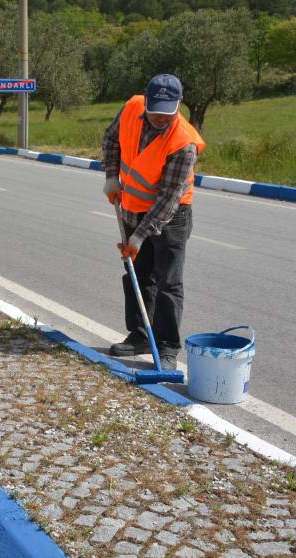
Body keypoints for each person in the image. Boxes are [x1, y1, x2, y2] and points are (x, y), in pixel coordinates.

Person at [102, 74, 205, 370]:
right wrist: (111, 176)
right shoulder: (132, 108)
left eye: (167, 112)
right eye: (155, 109)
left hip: (171, 217)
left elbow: (168, 200)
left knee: (168, 282)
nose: (160, 118)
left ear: (179, 104)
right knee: (137, 272)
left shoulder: (184, 143)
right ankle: (140, 336)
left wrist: (139, 237)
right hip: (131, 207)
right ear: (145, 100)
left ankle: (167, 346)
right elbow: (111, 140)